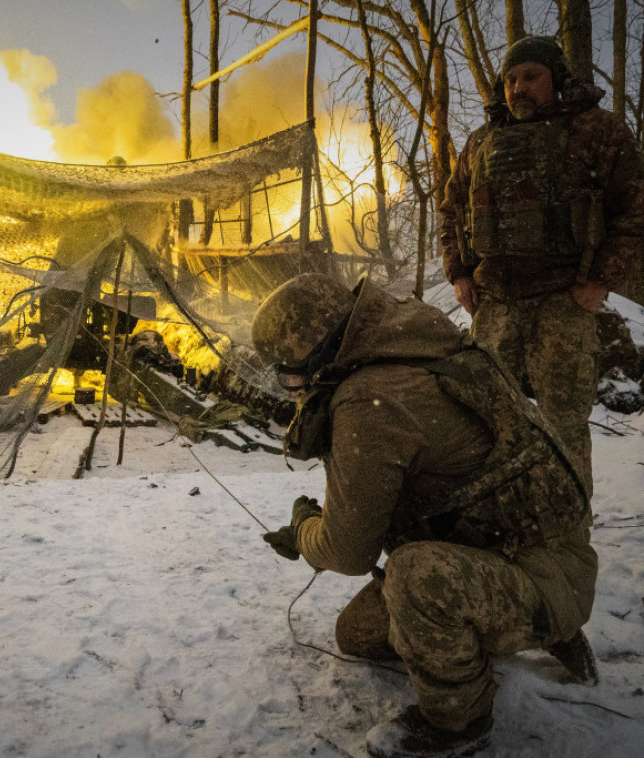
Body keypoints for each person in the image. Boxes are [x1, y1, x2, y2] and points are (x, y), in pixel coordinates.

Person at [253, 273, 598, 758]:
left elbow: (349, 552)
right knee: (356, 634)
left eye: (291, 375)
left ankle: (459, 723)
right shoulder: (412, 344)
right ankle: (528, 621)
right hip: (525, 550)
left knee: (414, 577)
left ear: (318, 355)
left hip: (541, 571)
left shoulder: (370, 397)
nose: (293, 389)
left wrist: (303, 532)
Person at [439, 35, 644, 494]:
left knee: (564, 427)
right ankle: (501, 525)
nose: (518, 88)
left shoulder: (598, 131)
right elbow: (452, 210)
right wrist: (458, 273)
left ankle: (569, 540)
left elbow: (634, 210)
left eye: (531, 76)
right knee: (486, 421)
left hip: (563, 301)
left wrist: (600, 280)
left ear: (556, 78)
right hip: (495, 304)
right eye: (510, 79)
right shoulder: (480, 143)